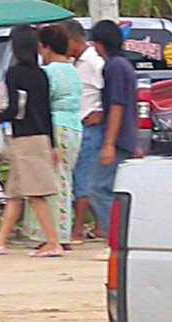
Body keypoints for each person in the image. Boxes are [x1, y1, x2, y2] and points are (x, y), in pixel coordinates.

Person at [0, 25, 63, 257]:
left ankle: (53, 242)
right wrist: (53, 144)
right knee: (14, 194)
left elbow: (15, 108)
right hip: (40, 137)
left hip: (25, 139)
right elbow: (47, 111)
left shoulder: (15, 73)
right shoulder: (41, 74)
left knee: (36, 194)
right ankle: (0, 240)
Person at [24, 25, 82, 249]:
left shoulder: (48, 73)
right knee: (65, 179)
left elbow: (41, 103)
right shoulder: (72, 70)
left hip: (55, 126)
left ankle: (51, 235)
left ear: (46, 47)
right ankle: (63, 231)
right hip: (74, 127)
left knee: (49, 182)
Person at [90, 20, 138, 238]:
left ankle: (115, 237)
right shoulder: (124, 64)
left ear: (100, 43)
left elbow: (118, 105)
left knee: (99, 188)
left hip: (117, 139)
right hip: (125, 135)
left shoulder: (114, 66)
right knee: (111, 188)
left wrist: (108, 143)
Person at [64, 19, 106, 243]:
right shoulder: (75, 64)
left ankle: (78, 229)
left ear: (73, 41)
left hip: (91, 127)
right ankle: (98, 225)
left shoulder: (93, 63)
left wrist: (102, 112)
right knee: (82, 177)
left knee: (84, 179)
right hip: (80, 126)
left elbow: (110, 90)